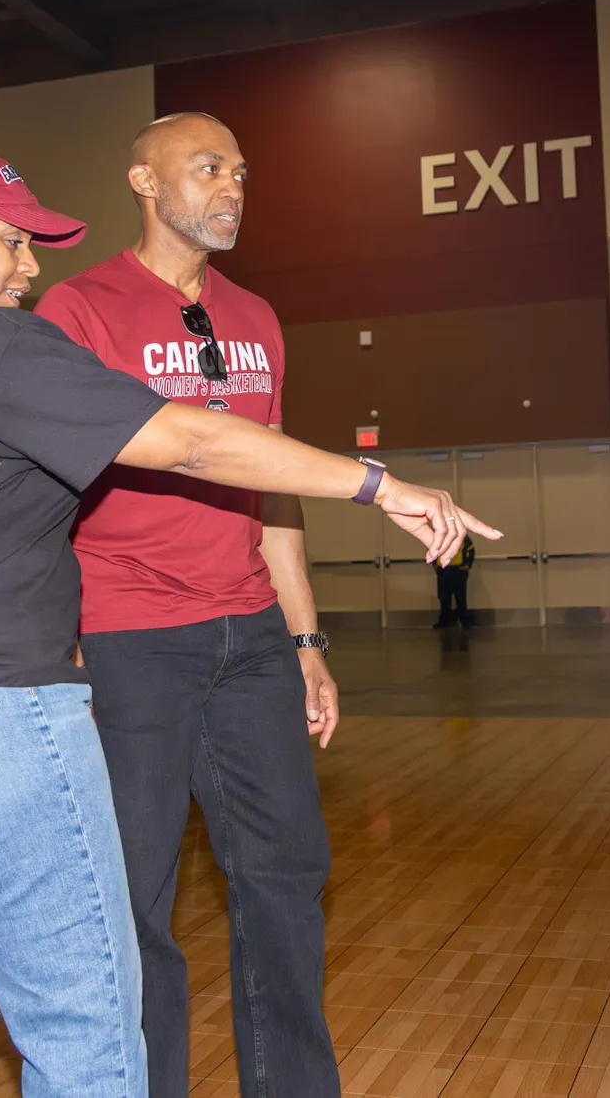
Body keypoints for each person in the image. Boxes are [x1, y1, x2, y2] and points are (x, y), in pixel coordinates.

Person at [0, 141, 499, 1098]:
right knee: (84, 1012)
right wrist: (376, 484)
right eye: (13, 240)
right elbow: (192, 442)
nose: (33, 267)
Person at [34, 112, 394, 1097]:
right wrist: (55, 638)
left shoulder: (257, 316)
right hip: (128, 640)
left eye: (240, 170)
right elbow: (46, 491)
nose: (233, 185)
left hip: (249, 639)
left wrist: (306, 637)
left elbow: (273, 490)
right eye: (207, 168)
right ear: (144, 182)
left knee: (286, 876)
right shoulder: (79, 309)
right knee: (134, 899)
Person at [434, 533, 476, 627]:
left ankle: (463, 620)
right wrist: (436, 566)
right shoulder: (439, 535)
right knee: (444, 597)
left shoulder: (462, 535)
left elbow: (471, 550)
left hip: (458, 570)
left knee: (460, 597)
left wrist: (467, 564)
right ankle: (445, 621)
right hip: (444, 570)